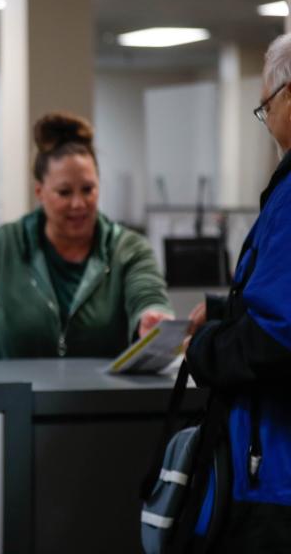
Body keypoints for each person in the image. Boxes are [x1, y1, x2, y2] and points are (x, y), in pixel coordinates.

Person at [0, 112, 172, 366]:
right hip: (16, 401)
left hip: (102, 401)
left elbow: (148, 296)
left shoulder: (128, 249)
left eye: (88, 189)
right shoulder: (4, 245)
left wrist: (153, 317)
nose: (79, 204)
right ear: (40, 192)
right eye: (64, 192)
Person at [182, 34, 291, 551]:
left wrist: (206, 350)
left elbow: (277, 338)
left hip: (278, 473)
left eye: (265, 106)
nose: (267, 121)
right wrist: (231, 309)